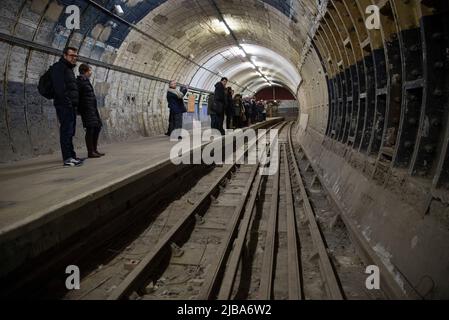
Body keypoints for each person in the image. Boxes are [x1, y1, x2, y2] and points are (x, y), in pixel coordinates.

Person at [51, 47, 82, 167]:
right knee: (66, 131)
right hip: (64, 105)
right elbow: (59, 88)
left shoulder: (68, 69)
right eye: (71, 55)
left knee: (70, 132)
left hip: (70, 106)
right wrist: (68, 102)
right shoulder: (59, 67)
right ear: (64, 55)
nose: (74, 58)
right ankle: (67, 158)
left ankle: (72, 156)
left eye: (75, 56)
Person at [77, 63, 104, 158]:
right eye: (90, 70)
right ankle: (90, 152)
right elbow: (77, 97)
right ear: (85, 71)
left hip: (92, 109)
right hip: (87, 109)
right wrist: (80, 109)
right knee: (90, 129)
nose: (91, 72)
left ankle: (95, 149)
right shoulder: (80, 81)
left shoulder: (86, 81)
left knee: (97, 127)